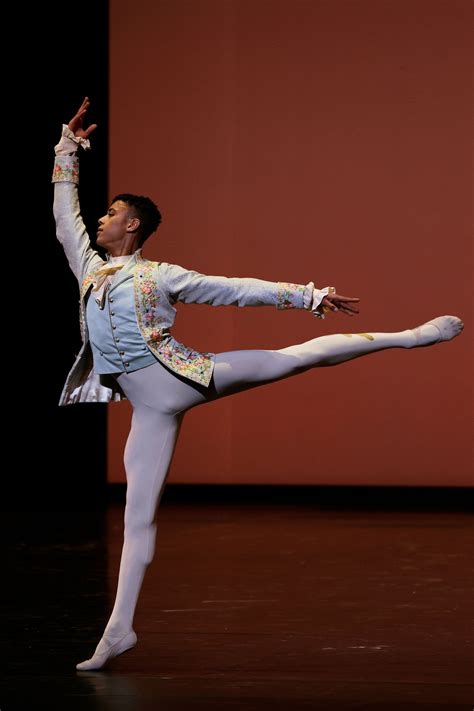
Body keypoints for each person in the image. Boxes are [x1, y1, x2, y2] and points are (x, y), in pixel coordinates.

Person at [53, 98, 463, 671]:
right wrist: (66, 152)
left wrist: (308, 296)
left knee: (296, 358)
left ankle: (408, 336)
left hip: (187, 375)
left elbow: (233, 288)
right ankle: (118, 631)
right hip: (150, 410)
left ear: (133, 224)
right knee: (136, 516)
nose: (100, 220)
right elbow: (64, 221)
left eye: (112, 212)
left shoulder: (160, 275)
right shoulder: (90, 270)